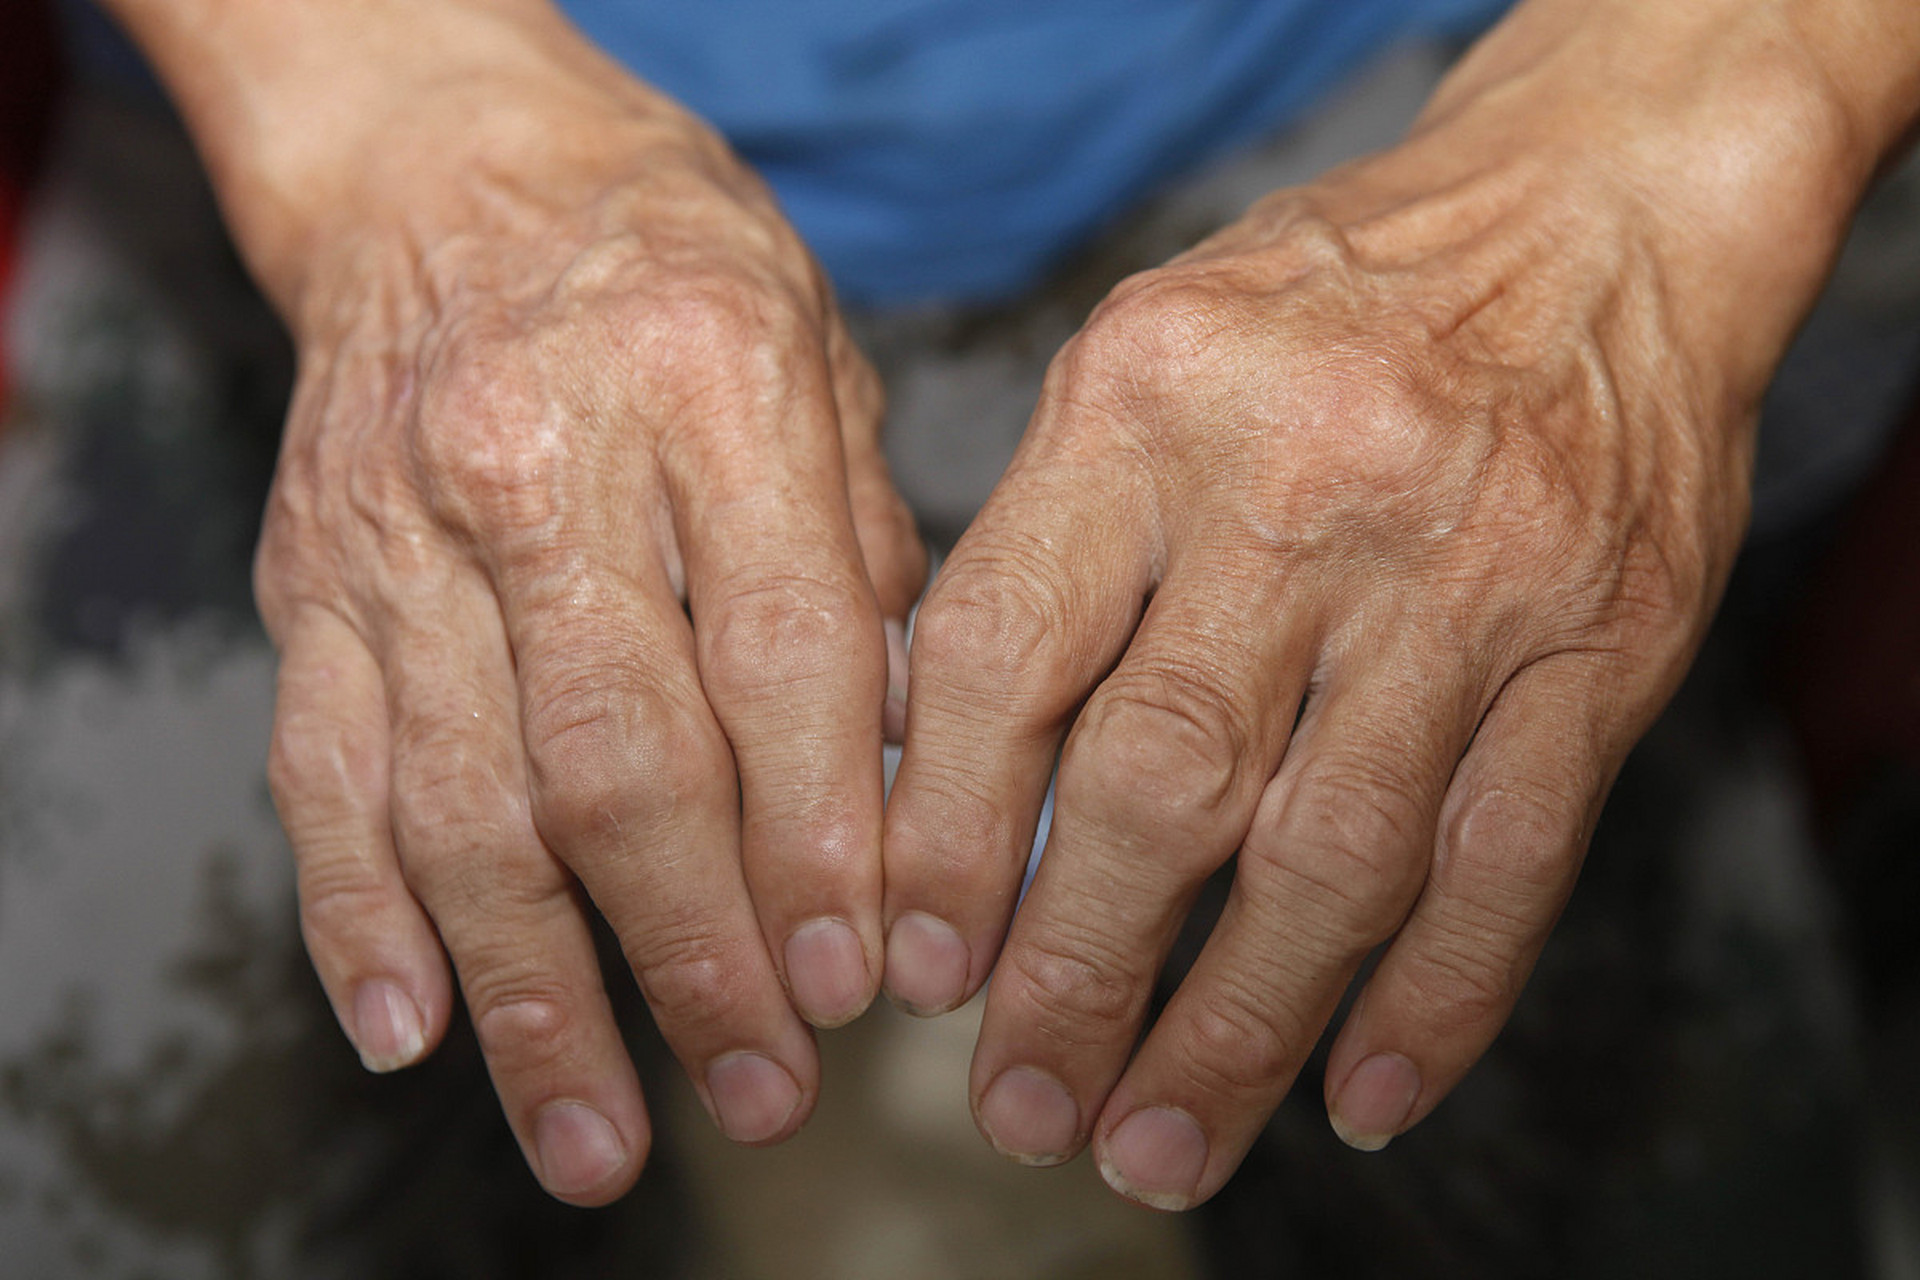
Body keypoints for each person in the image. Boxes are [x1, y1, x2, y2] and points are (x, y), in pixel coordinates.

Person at [93, 0, 1920, 1212]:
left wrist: (1706, 116)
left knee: (1621, 1153)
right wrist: (389, 121)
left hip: (1432, 96)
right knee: (187, 1139)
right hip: (350, 104)